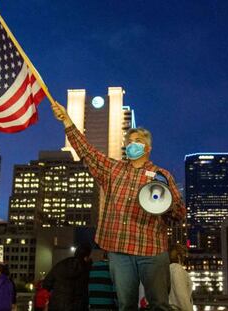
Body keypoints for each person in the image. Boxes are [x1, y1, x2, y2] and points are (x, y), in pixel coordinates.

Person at [51, 101, 186, 311]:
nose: (132, 144)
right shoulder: (113, 169)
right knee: (125, 305)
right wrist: (67, 121)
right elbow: (87, 152)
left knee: (159, 304)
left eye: (138, 141)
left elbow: (179, 214)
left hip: (151, 248)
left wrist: (166, 204)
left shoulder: (162, 175)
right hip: (120, 249)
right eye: (129, 141)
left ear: (147, 148)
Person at [42, 243, 92, 311]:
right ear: (86, 257)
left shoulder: (61, 265)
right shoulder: (86, 269)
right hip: (78, 306)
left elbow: (46, 284)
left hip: (56, 305)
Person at [168, 244, 193, 311]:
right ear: (179, 256)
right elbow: (181, 295)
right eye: (184, 256)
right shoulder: (177, 269)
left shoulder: (166, 269)